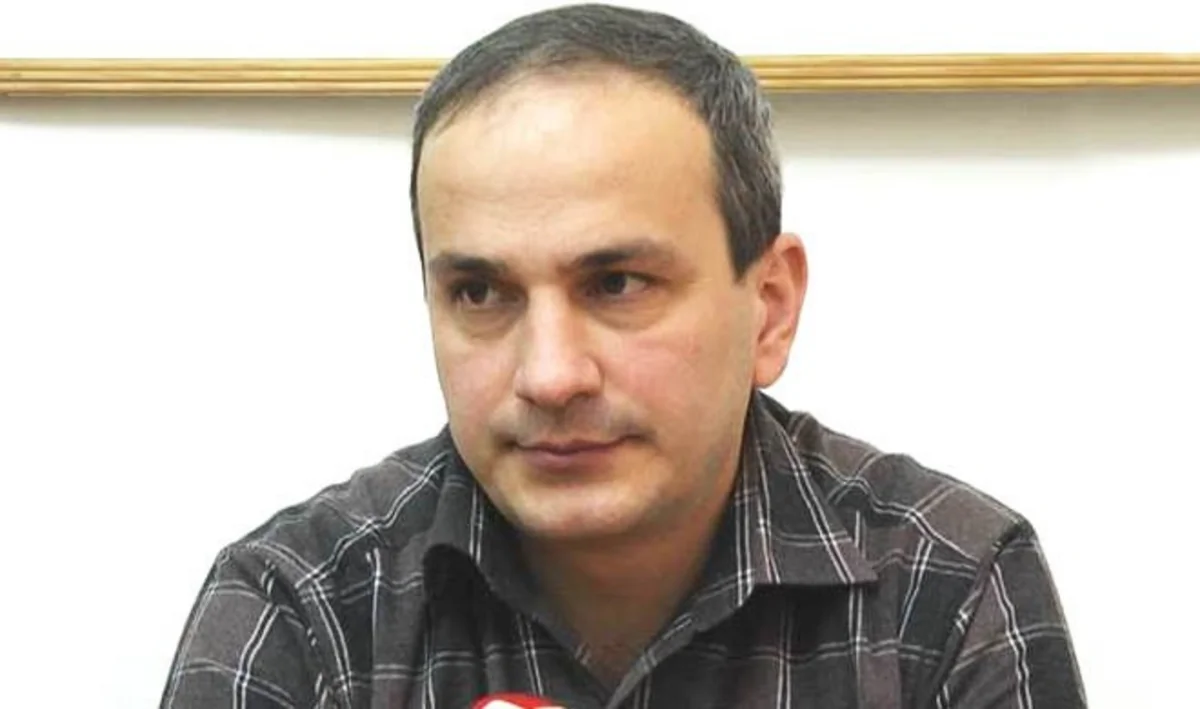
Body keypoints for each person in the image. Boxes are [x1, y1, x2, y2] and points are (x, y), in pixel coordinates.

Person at [160, 4, 1087, 707]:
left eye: (617, 284)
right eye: (481, 293)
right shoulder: (303, 607)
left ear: (769, 309)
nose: (550, 375)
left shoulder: (947, 583)